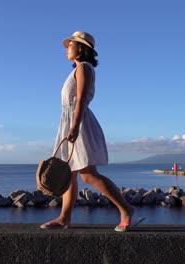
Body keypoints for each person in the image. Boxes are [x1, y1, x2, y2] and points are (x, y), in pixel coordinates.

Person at [40, 31, 144, 232]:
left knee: (87, 174)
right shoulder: (78, 69)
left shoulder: (84, 68)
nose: (66, 49)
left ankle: (127, 209)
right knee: (68, 174)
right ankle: (64, 217)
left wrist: (75, 126)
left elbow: (80, 100)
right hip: (71, 121)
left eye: (70, 45)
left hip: (77, 121)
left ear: (80, 48)